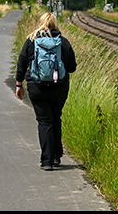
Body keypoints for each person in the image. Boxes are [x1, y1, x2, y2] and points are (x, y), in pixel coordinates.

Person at [15, 13, 77, 171]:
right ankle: (56, 156)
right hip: (59, 87)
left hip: (37, 87)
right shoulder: (63, 42)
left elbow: (22, 63)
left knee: (44, 121)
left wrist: (19, 84)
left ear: (40, 23)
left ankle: (47, 161)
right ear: (56, 24)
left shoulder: (31, 40)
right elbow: (72, 68)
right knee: (56, 118)